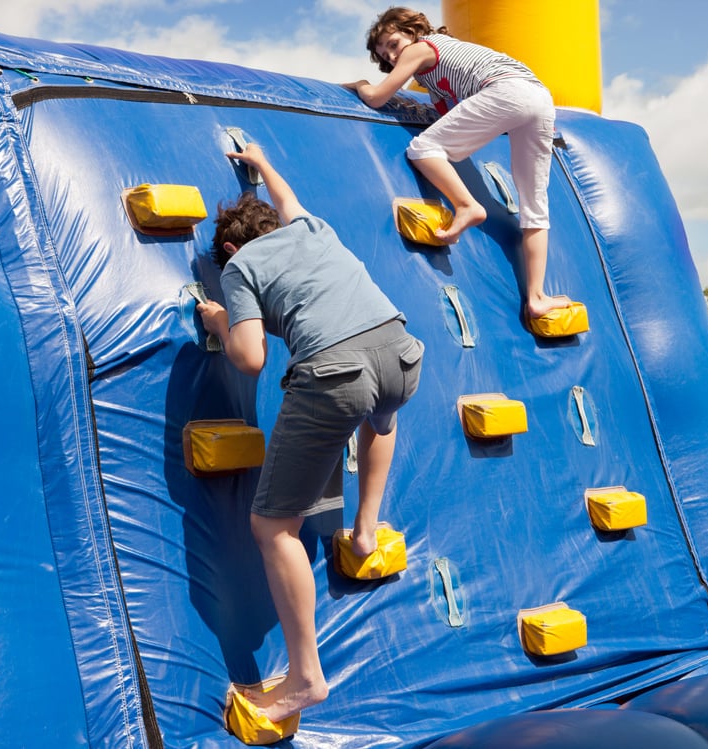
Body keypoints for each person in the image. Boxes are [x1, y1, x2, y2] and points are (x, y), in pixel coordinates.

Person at [196, 142, 424, 724]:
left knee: (272, 526)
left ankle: (304, 679)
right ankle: (366, 530)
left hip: (335, 373)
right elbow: (287, 197)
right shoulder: (313, 228)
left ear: (228, 250)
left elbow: (249, 358)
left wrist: (221, 318)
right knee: (382, 417)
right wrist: (264, 162)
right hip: (400, 351)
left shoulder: (242, 267)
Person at [344, 6, 568, 322]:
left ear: (411, 31)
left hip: (507, 91)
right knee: (534, 206)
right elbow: (448, 115)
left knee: (423, 149)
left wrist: (360, 84)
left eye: (393, 45)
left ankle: (467, 206)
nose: (392, 57)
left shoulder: (422, 47)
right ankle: (536, 297)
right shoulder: (436, 75)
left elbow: (377, 97)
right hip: (538, 98)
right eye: (385, 56)